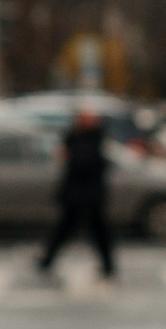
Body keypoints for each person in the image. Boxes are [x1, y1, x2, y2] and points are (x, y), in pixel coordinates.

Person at [37, 105, 117, 282]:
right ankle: (47, 260)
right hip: (78, 192)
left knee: (95, 230)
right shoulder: (75, 137)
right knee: (67, 228)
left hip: (89, 193)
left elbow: (83, 162)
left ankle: (108, 265)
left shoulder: (94, 137)